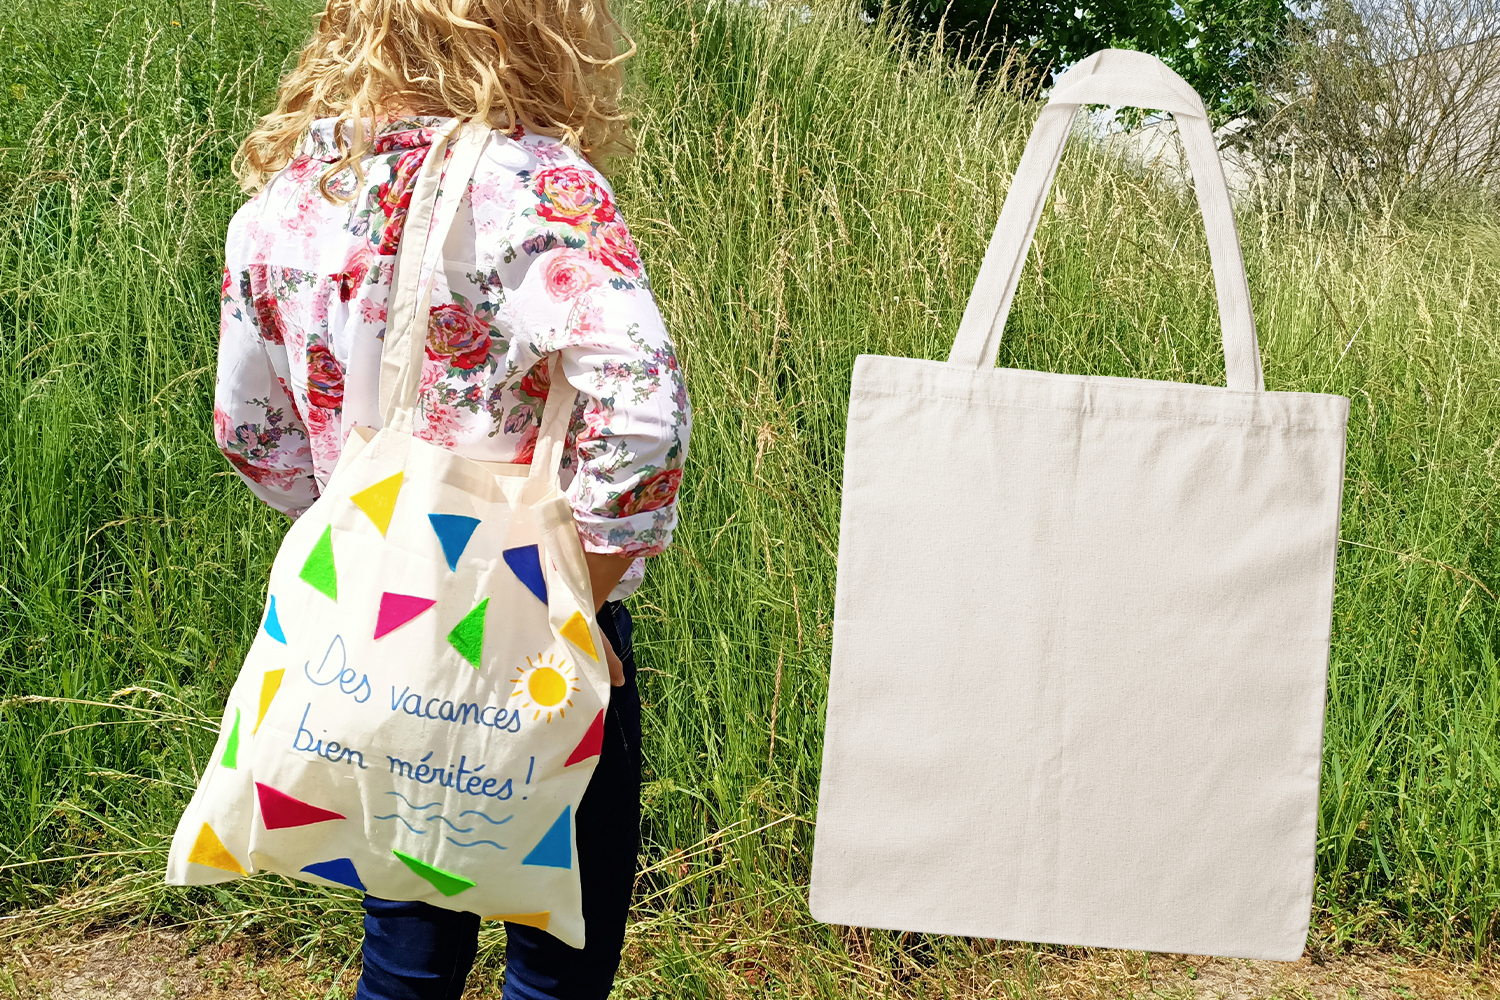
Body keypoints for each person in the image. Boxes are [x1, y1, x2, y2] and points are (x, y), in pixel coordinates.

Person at [211, 1, 689, 997]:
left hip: (377, 642)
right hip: (538, 628)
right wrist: (580, 594)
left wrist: (358, 539)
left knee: (405, 941)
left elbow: (253, 433)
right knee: (559, 946)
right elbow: (643, 415)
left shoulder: (290, 199)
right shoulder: (538, 190)